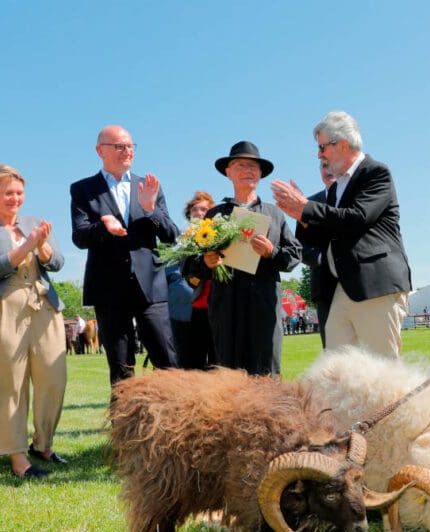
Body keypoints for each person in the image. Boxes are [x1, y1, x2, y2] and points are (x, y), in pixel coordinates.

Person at [272, 111, 412, 358]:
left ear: (343, 144)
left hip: (375, 286)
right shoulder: (336, 188)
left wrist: (304, 206)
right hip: (341, 290)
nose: (319, 154)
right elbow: (328, 231)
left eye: (322, 147)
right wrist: (302, 216)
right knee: (336, 372)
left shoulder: (376, 172)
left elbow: (357, 218)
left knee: (384, 373)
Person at [0, 164, 68, 479]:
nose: (15, 198)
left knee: (54, 377)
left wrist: (42, 245)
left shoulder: (36, 223)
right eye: (8, 192)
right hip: (2, 309)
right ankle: (18, 459)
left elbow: (58, 263)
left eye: (19, 193)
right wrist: (27, 245)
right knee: (10, 383)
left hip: (44, 307)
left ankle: (43, 445)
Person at [70, 125, 179, 387]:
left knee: (167, 361)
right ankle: (124, 426)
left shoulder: (149, 186)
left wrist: (151, 209)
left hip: (150, 286)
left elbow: (171, 235)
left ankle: (176, 423)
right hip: (108, 287)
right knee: (121, 368)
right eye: (119, 146)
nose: (126, 151)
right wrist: (103, 227)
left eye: (130, 146)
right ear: (100, 151)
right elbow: (80, 236)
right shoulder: (83, 189)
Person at [183, 141, 300, 376]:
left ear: (260, 174)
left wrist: (271, 252)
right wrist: (206, 262)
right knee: (229, 375)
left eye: (253, 166)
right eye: (240, 165)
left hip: (264, 307)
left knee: (266, 373)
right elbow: (190, 266)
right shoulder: (215, 215)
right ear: (228, 172)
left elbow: (295, 255)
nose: (247, 170)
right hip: (226, 309)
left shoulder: (274, 214)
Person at [168, 191, 216, 369]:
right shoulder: (179, 239)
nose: (199, 213)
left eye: (205, 209)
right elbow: (172, 271)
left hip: (216, 306)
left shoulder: (222, 237)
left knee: (218, 361)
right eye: (195, 209)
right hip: (187, 308)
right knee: (189, 361)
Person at [296, 164, 337, 347]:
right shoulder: (307, 204)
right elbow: (300, 246)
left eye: (332, 164)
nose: (328, 170)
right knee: (332, 351)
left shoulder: (358, 198)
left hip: (361, 285)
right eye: (323, 166)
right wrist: (322, 259)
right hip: (325, 286)